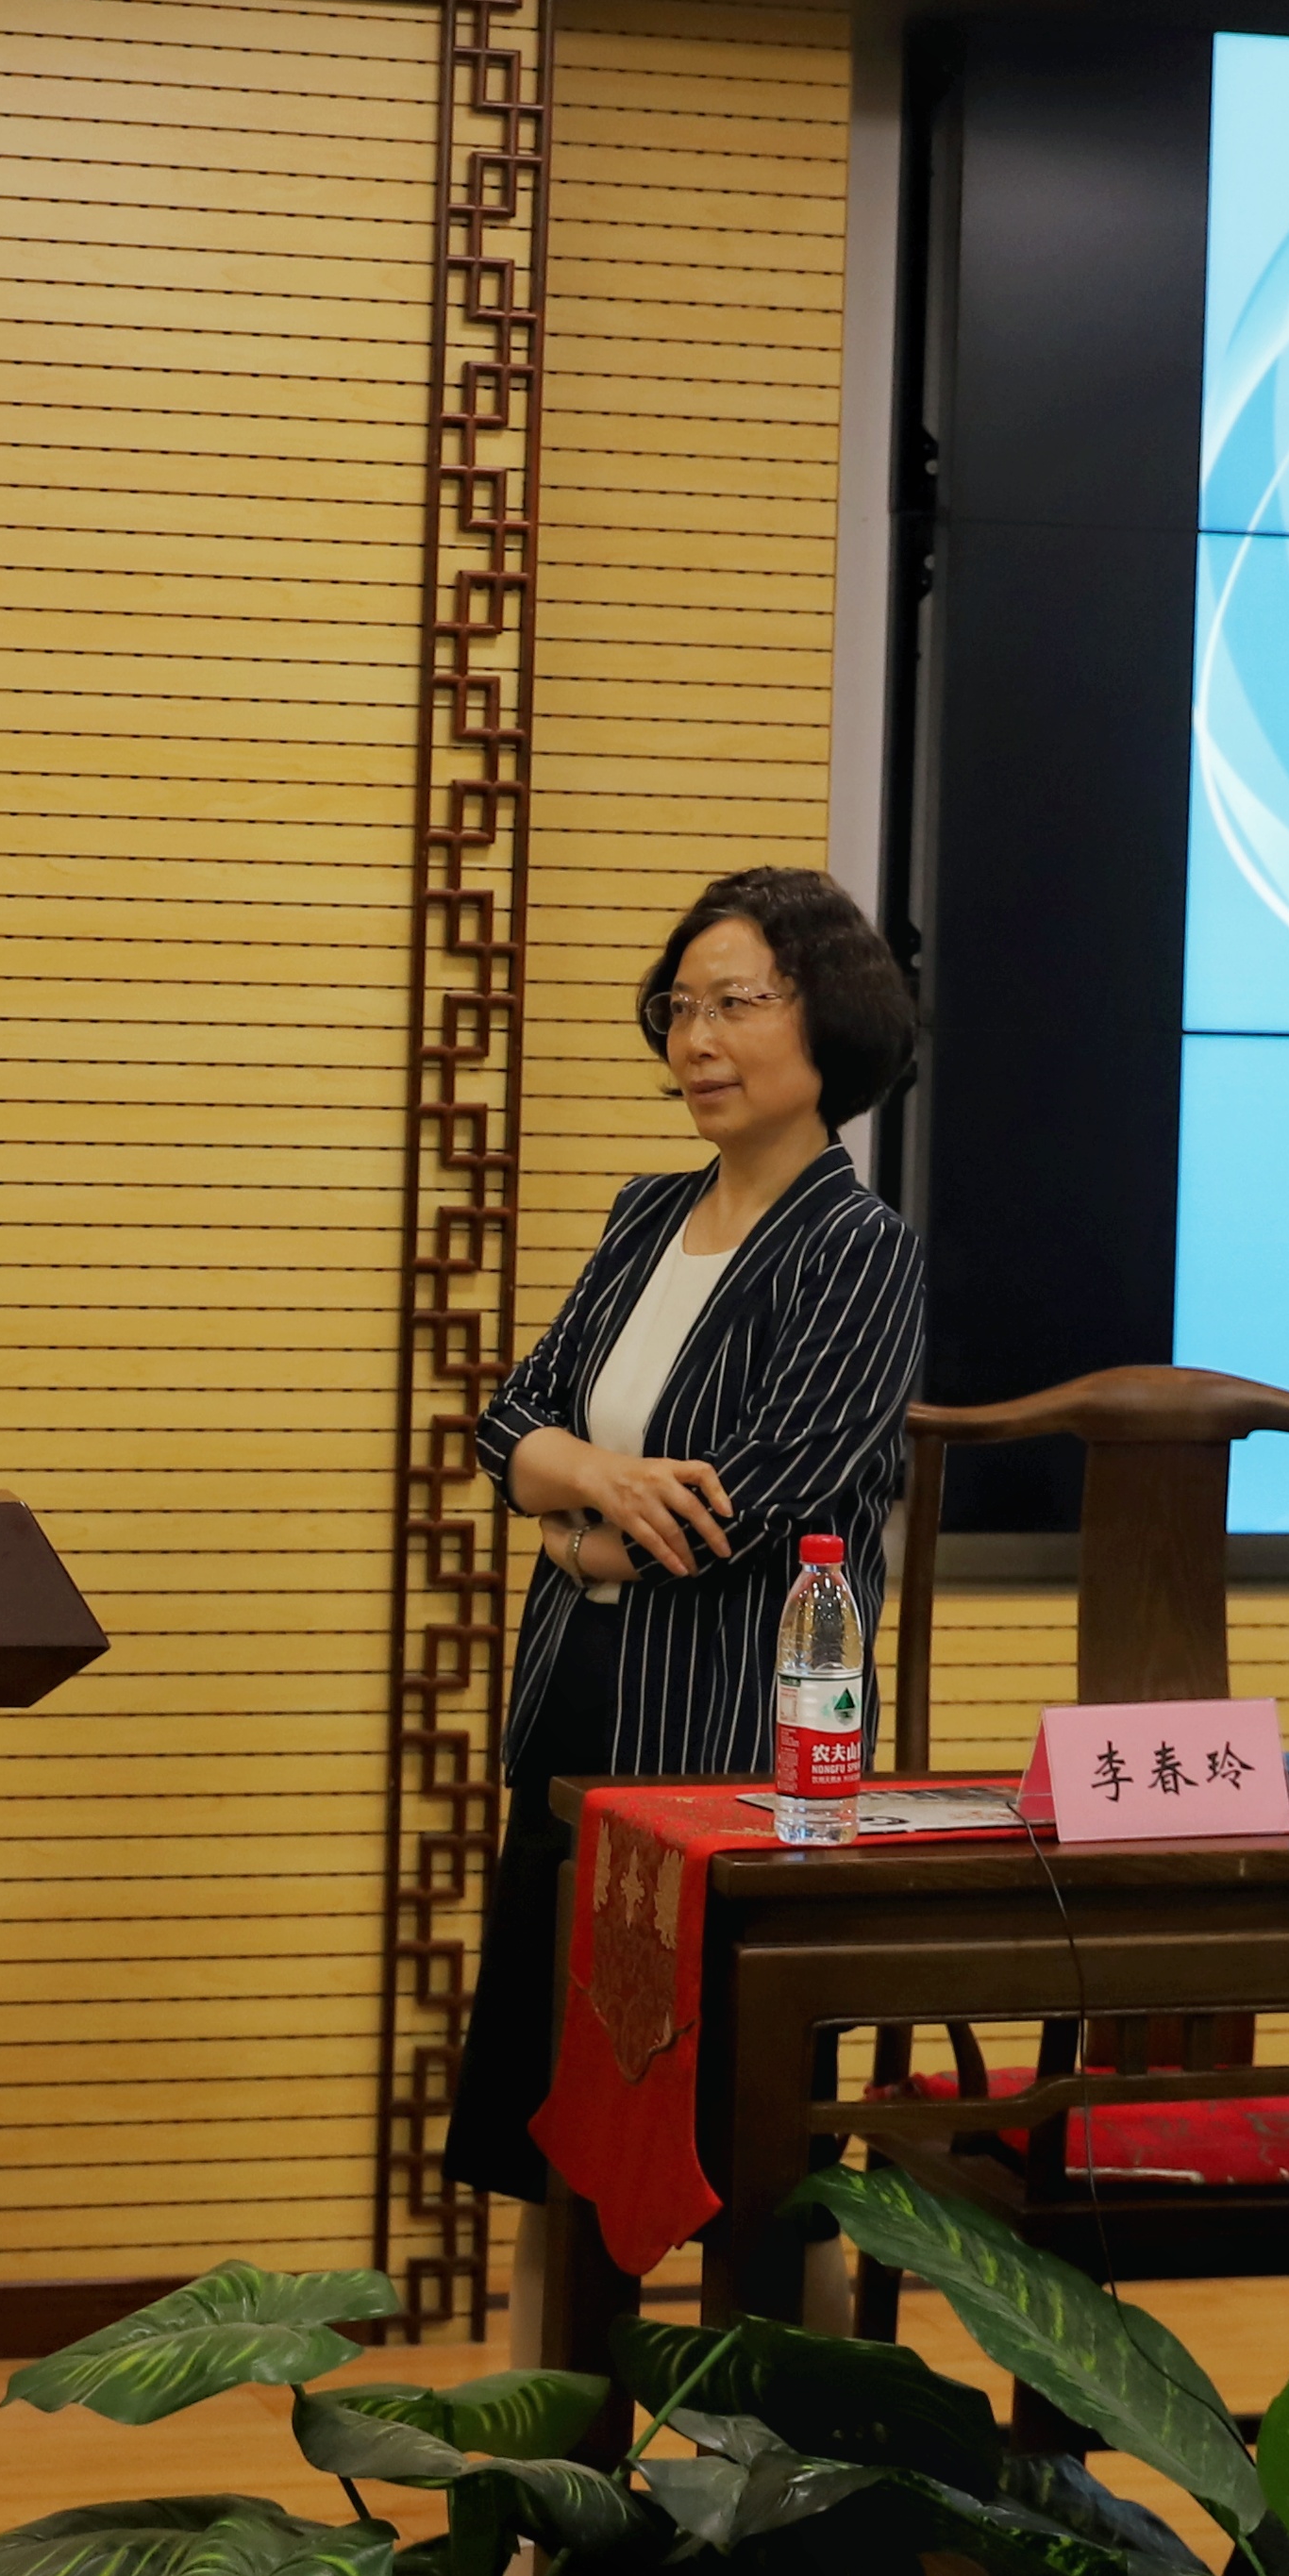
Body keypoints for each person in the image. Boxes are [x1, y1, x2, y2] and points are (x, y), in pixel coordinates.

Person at [445, 866, 924, 2309]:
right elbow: (511, 1421)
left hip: (737, 1749)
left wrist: (572, 1525)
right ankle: (551, 2445)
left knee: (749, 2155)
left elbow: (744, 1504)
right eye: (679, 1006)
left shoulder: (859, 1250)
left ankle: (774, 2441)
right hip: (573, 1716)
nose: (696, 1039)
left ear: (828, 1020)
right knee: (553, 2130)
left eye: (735, 1003)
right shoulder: (644, 1213)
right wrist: (590, 1482)